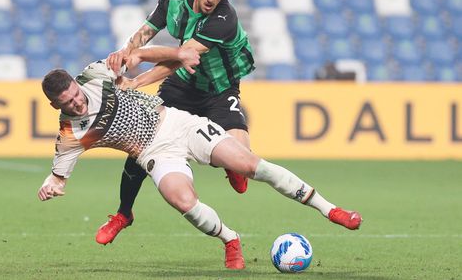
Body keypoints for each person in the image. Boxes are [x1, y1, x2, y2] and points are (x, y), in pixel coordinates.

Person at [37, 57, 363, 270]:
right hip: (154, 154)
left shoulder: (94, 74)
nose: (78, 102)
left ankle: (330, 209)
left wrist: (148, 54)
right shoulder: (70, 133)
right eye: (68, 102)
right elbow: (58, 177)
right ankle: (230, 239)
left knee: (250, 164)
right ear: (56, 105)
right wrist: (52, 185)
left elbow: (130, 53)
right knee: (183, 201)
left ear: (77, 84)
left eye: (76, 94)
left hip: (179, 124)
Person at [97, 0, 257, 245]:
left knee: (246, 162)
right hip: (182, 86)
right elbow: (146, 30)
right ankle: (123, 214)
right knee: (141, 143)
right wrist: (126, 51)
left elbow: (179, 57)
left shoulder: (225, 18)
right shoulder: (173, 1)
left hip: (220, 89)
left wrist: (136, 80)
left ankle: (232, 165)